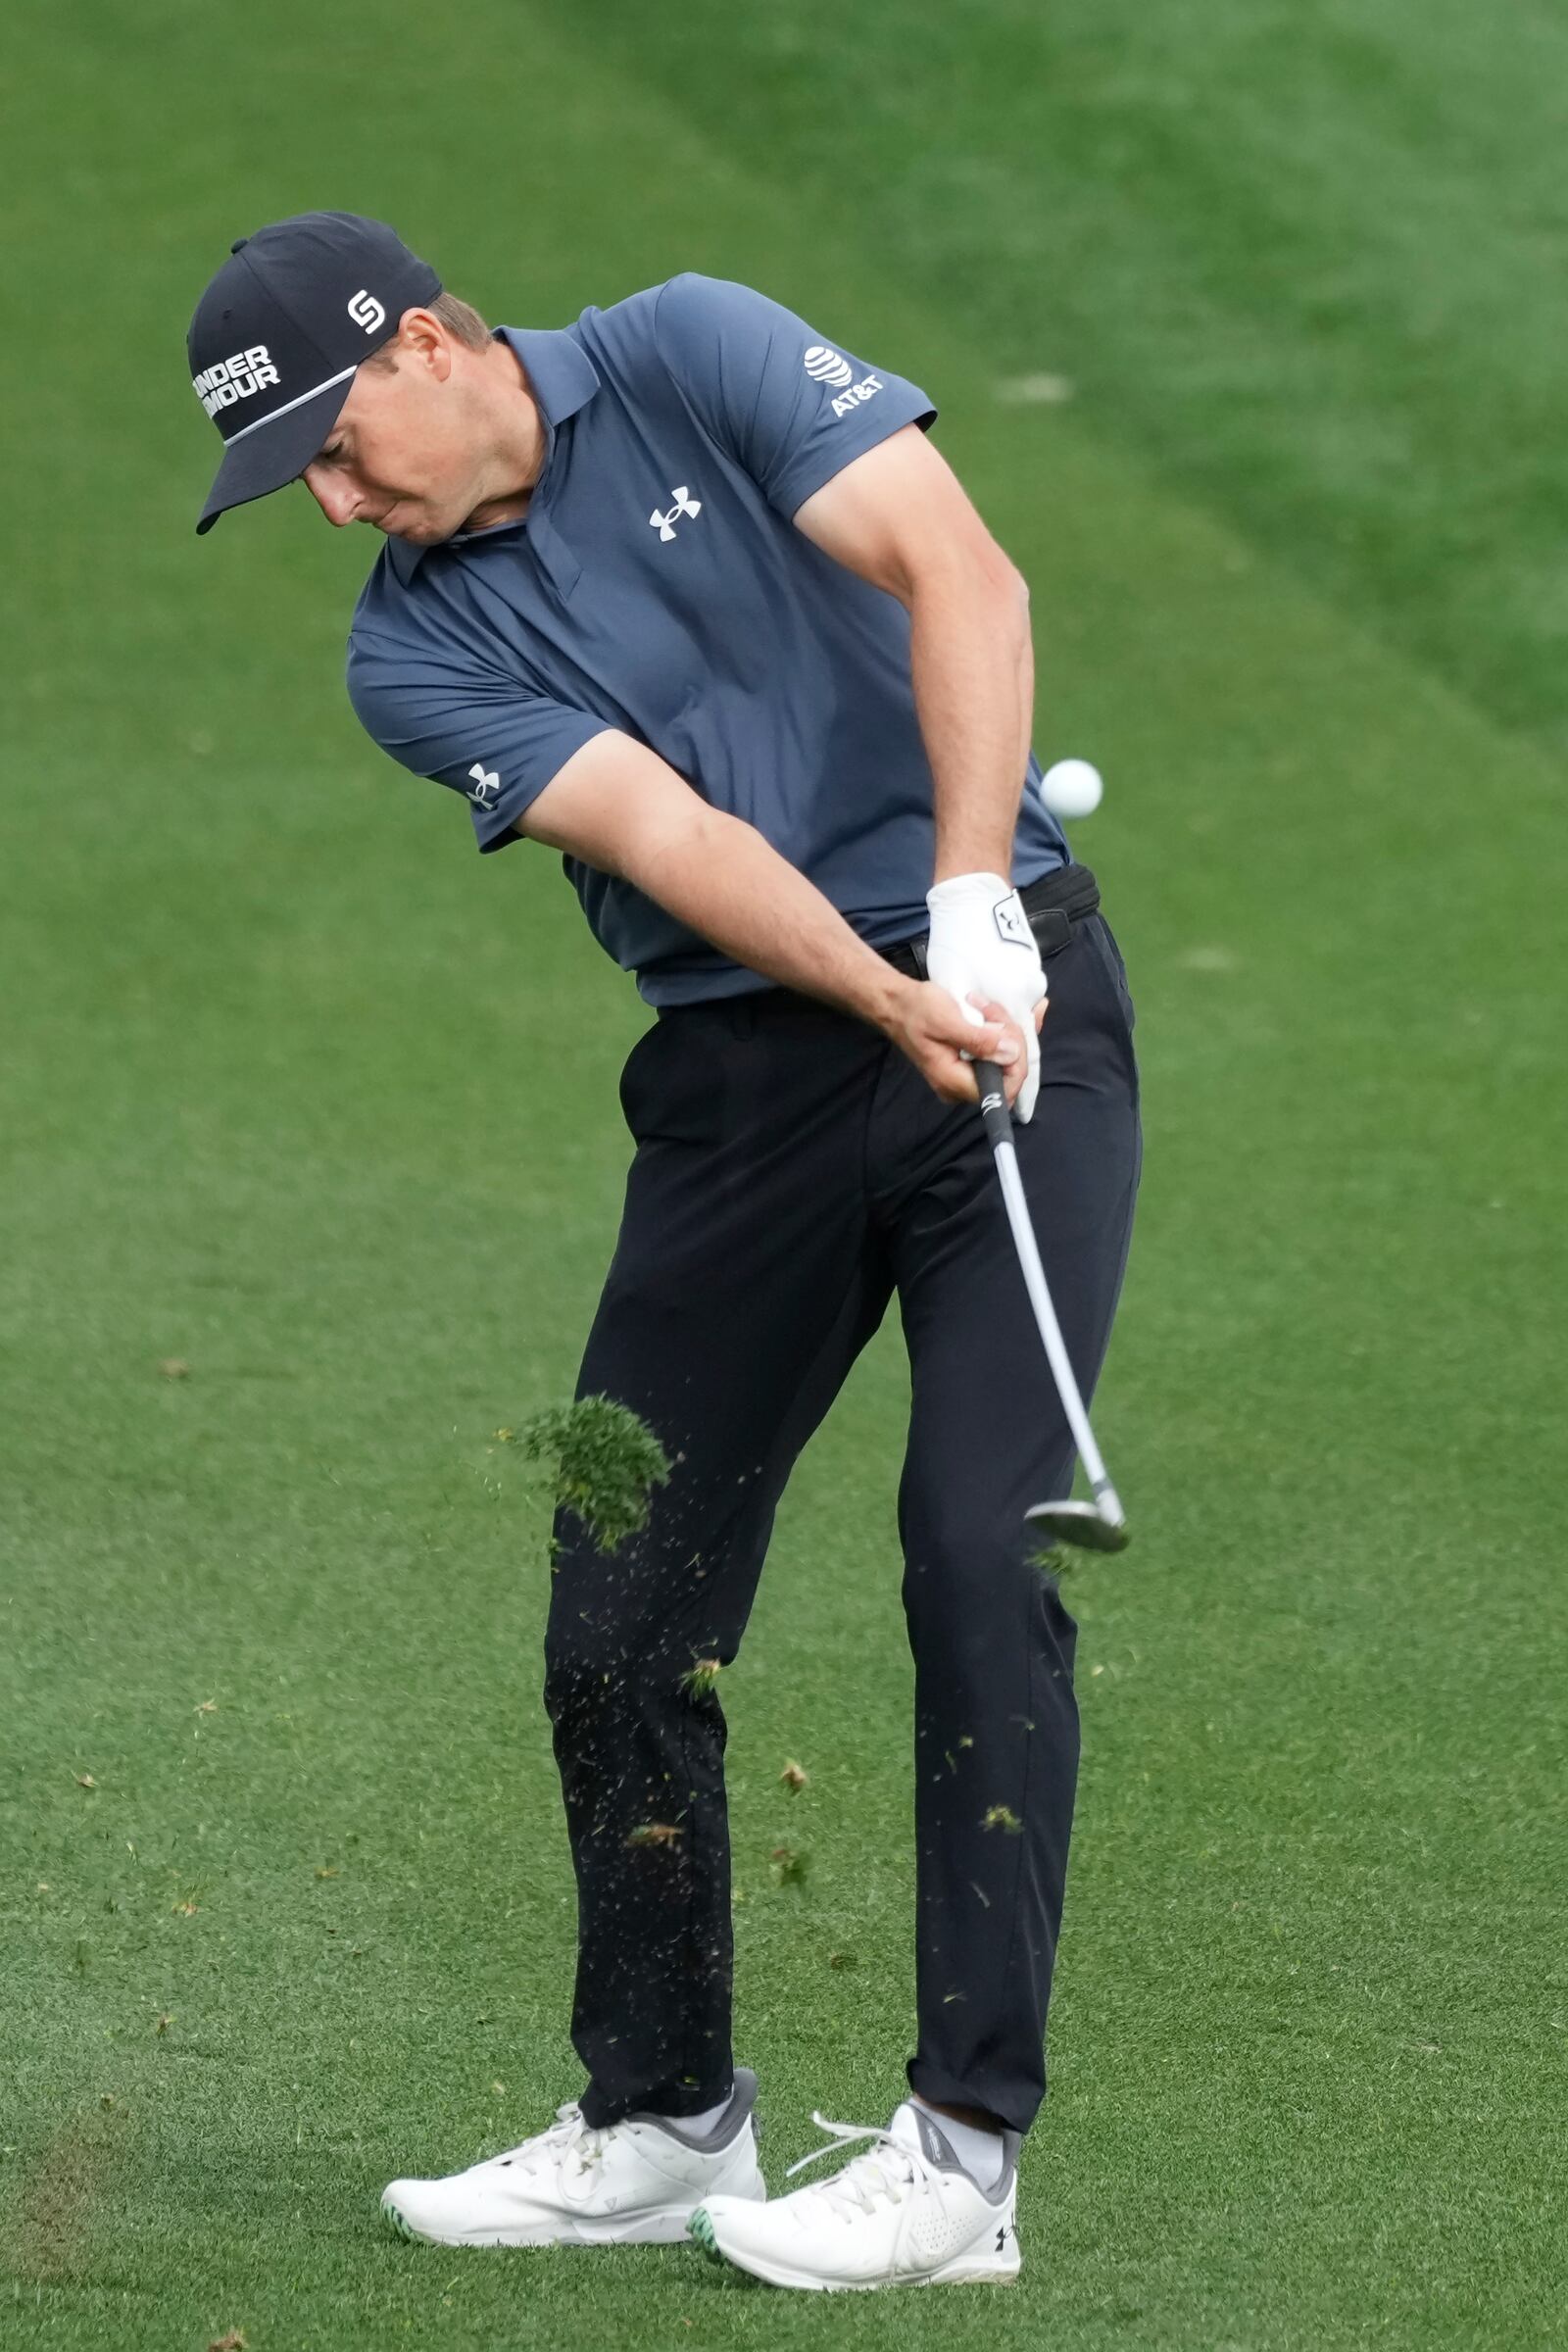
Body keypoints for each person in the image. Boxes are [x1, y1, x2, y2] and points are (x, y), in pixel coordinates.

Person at [188, 211, 1142, 2292]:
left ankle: (961, 2157)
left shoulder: (694, 345)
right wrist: (888, 996)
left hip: (1019, 1009)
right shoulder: (408, 652)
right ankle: (655, 2116)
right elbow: (685, 851)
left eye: (336, 452)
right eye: (304, 493)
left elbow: (959, 574)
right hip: (747, 1085)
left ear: (428, 342)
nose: (336, 507)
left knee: (981, 1554)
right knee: (616, 1605)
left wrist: (971, 905)